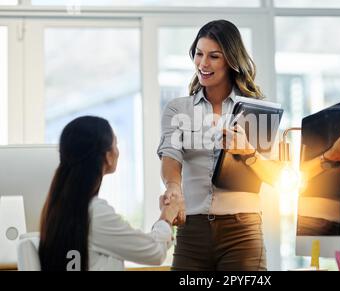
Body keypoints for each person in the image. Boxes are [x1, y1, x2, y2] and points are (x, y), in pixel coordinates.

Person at [157, 19, 285, 271]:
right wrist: (173, 186)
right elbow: (170, 156)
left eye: (214, 56)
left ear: (230, 60)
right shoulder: (177, 109)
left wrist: (247, 152)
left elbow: (277, 176)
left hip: (242, 233)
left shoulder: (257, 112)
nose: (203, 64)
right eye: (199, 54)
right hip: (191, 231)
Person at [39, 116, 181, 271]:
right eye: (116, 144)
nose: (118, 151)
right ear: (108, 156)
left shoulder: (57, 207)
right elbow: (154, 252)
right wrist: (167, 216)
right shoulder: (95, 212)